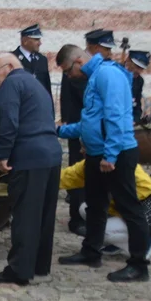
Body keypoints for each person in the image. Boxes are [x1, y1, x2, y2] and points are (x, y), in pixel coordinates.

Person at [56, 31, 149, 282]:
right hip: (98, 155)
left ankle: (139, 264)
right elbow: (91, 122)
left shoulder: (107, 74)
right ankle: (91, 252)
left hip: (115, 155)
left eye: (67, 71)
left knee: (129, 207)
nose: (68, 77)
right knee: (96, 205)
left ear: (78, 61)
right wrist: (60, 130)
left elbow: (116, 116)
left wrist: (111, 155)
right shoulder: (94, 77)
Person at [0, 54, 62, 286]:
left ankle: (19, 270)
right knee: (44, 216)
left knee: (26, 216)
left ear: (8, 67)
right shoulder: (35, 83)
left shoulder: (11, 84)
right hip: (52, 155)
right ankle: (39, 269)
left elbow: (9, 121)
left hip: (29, 155)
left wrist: (3, 154)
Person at [60, 158, 151, 259]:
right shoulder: (92, 163)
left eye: (85, 147)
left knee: (100, 230)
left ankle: (144, 240)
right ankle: (118, 243)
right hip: (120, 208)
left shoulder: (122, 166)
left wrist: (108, 203)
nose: (81, 151)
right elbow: (68, 176)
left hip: (140, 211)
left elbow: (140, 194)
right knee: (85, 208)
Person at [60, 60, 88, 236]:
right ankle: (77, 218)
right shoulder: (78, 74)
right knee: (78, 176)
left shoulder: (103, 73)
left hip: (95, 135)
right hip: (80, 130)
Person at [13, 24, 53, 101]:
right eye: (36, 39)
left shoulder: (42, 59)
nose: (40, 43)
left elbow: (47, 86)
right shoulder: (12, 58)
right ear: (25, 41)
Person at [125, 50, 151, 124]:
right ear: (128, 60)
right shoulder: (117, 75)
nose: (139, 71)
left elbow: (137, 104)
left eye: (142, 68)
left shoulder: (139, 80)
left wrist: (135, 120)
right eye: (137, 66)